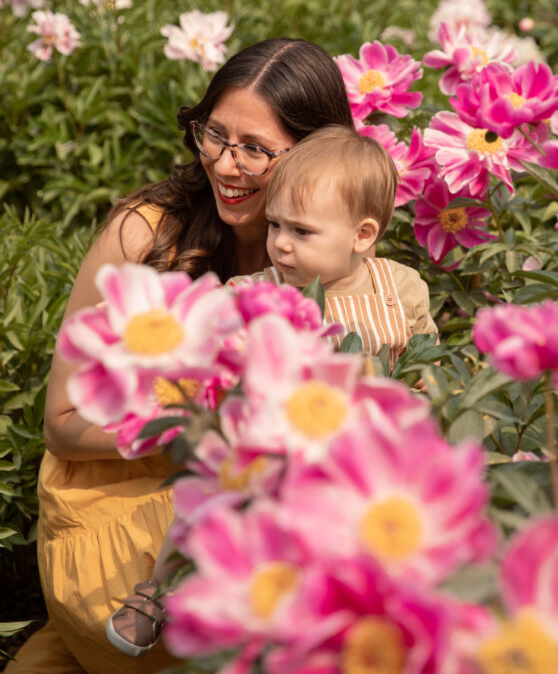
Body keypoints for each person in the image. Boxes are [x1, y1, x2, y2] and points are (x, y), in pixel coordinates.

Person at [12, 39, 354, 674]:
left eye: (255, 149)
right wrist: (190, 435)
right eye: (215, 136)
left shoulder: (337, 254)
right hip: (115, 522)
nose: (226, 164)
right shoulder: (145, 233)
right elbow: (59, 424)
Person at [106, 125, 437, 657]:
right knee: (203, 500)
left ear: (362, 235)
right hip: (270, 452)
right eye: (276, 224)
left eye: (302, 232)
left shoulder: (398, 291)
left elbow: (430, 368)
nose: (280, 243)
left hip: (367, 458)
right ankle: (159, 591)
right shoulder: (252, 294)